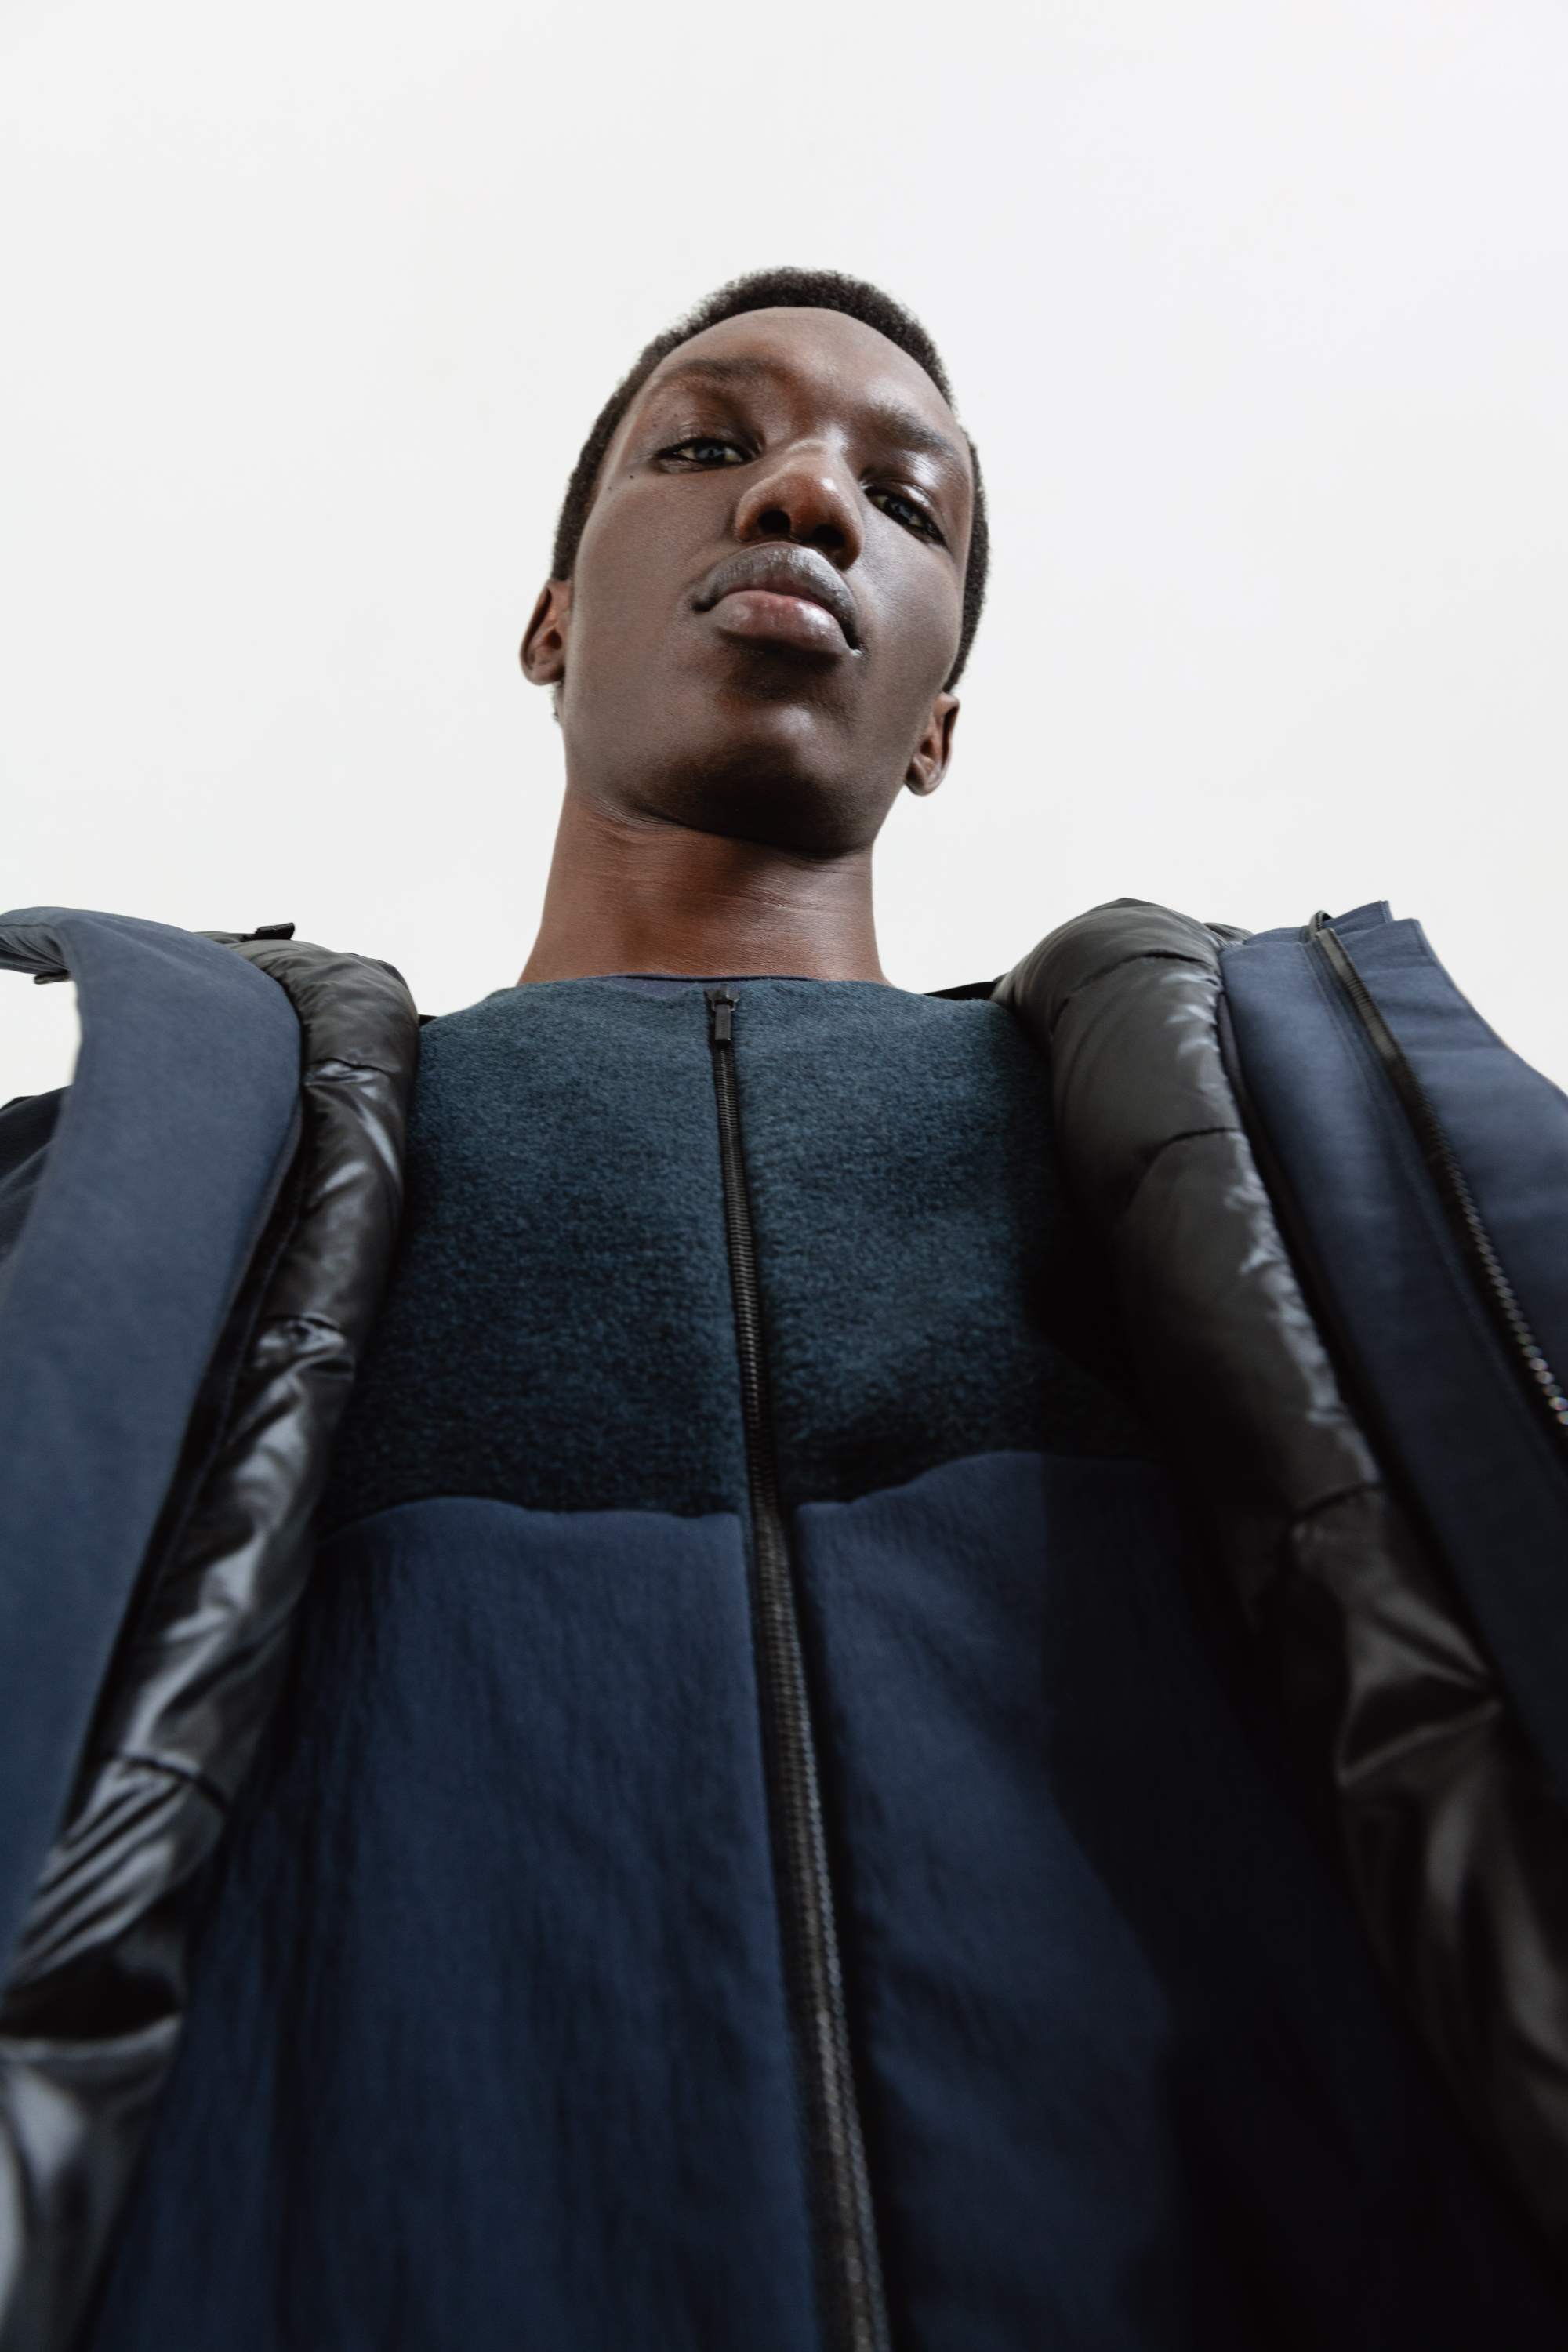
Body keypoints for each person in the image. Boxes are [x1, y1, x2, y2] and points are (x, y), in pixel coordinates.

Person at [2, 267, 1568, 2352]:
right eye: (712, 443)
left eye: (904, 502)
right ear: (551, 620)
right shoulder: (148, 1187)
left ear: (937, 728)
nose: (808, 499)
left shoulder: (1295, 1165)